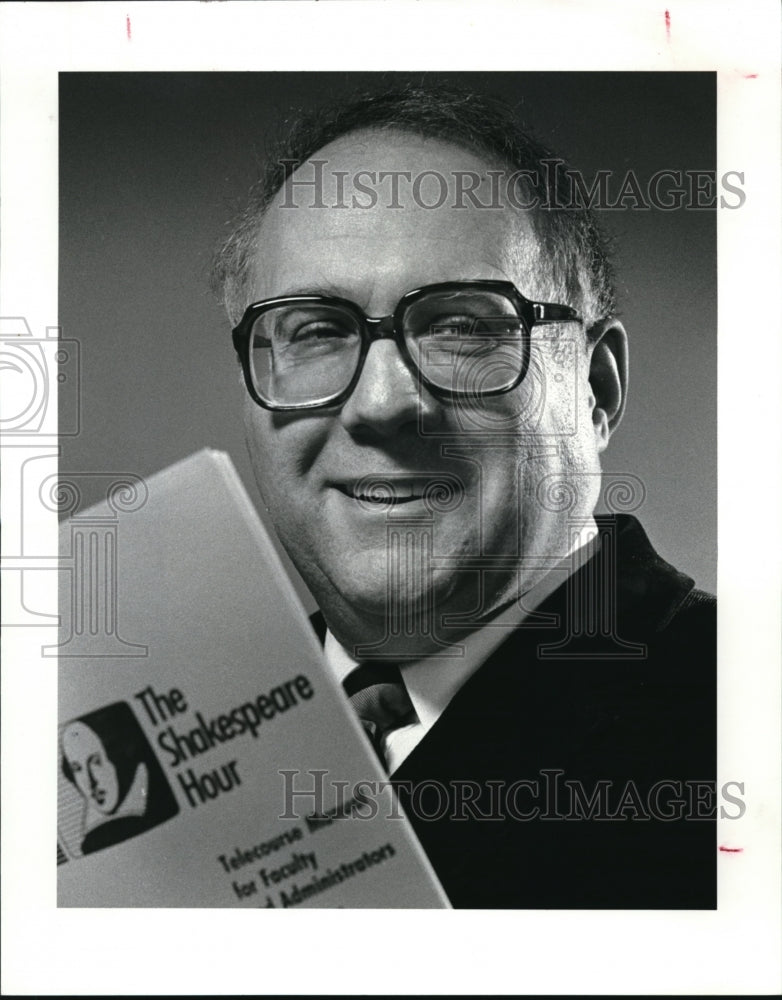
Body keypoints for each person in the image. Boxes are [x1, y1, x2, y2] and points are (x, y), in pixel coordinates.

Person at [212, 85, 716, 908]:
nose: (381, 404)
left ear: (595, 389)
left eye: (462, 327)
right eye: (315, 329)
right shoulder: (170, 740)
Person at [60, 703, 178, 855]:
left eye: (96, 762)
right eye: (77, 769)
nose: (90, 782)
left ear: (122, 755)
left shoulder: (162, 805)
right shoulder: (95, 840)